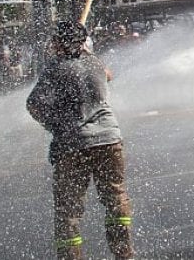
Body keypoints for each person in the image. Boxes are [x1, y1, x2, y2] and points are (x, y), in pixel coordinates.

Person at [27, 21, 134, 260]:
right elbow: (108, 75)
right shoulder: (96, 63)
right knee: (116, 200)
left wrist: (54, 125)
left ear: (58, 43)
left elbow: (33, 104)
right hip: (109, 140)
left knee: (69, 211)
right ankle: (124, 254)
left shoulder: (55, 68)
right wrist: (85, 51)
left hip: (72, 145)